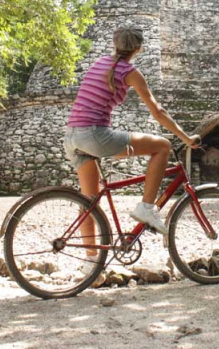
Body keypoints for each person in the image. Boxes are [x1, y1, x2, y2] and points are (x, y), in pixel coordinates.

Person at [64, 25, 201, 272]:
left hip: (72, 136)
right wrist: (185, 137)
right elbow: (157, 111)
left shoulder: (100, 63)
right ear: (138, 49)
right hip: (94, 135)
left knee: (89, 202)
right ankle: (147, 208)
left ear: (115, 44)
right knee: (162, 146)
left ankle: (91, 265)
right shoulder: (131, 72)